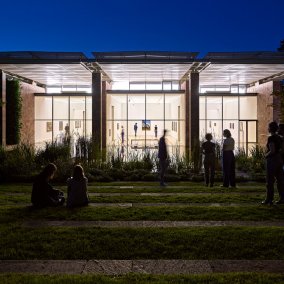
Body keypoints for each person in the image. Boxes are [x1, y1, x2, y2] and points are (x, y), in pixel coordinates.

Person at [262, 121, 284, 205]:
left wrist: (265, 155)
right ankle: (282, 198)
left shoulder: (271, 138)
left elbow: (272, 150)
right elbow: (282, 149)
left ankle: (269, 200)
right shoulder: (280, 138)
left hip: (272, 160)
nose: (267, 128)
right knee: (280, 181)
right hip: (279, 159)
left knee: (270, 181)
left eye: (268, 127)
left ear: (270, 128)